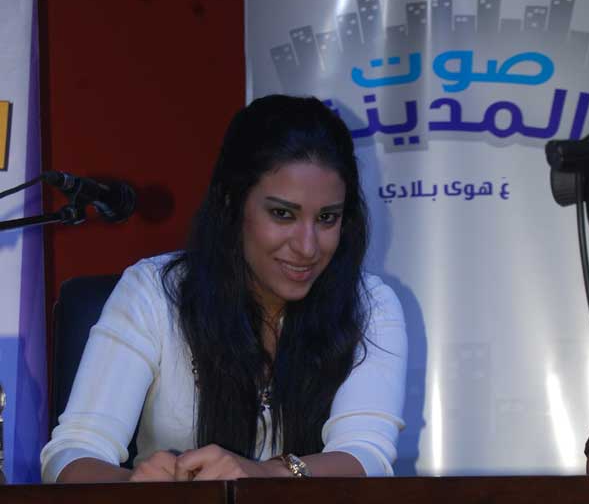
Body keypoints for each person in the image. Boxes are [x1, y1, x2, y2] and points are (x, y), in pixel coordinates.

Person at [41, 95, 407, 483]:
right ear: (232, 203)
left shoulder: (370, 305)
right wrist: (136, 489)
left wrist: (265, 475)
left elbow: (366, 455)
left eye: (327, 218)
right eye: (283, 214)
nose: (307, 246)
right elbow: (72, 452)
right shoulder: (153, 292)